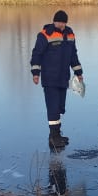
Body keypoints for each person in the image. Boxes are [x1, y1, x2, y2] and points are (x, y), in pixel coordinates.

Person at [30, 10, 84, 151]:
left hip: (63, 78)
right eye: (58, 22)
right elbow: (37, 54)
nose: (60, 24)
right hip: (50, 78)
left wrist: (78, 72)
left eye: (63, 22)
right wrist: (36, 73)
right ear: (54, 21)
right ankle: (54, 137)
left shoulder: (70, 34)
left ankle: (57, 135)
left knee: (60, 107)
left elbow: (73, 55)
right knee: (53, 107)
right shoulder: (45, 35)